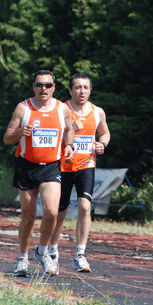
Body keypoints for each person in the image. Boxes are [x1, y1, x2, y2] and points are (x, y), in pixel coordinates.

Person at [3, 70, 74, 277]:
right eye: (40, 85)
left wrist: (69, 145)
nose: (44, 88)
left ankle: (42, 252)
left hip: (51, 166)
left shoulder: (62, 108)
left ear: (54, 87)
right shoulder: (23, 108)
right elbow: (7, 138)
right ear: (33, 87)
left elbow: (69, 128)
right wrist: (19, 133)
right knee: (28, 217)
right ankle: (22, 258)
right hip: (27, 166)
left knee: (52, 212)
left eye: (48, 85)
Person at [49, 73, 110, 273]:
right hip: (63, 166)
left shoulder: (97, 112)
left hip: (86, 165)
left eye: (85, 87)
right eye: (77, 87)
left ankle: (80, 254)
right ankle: (52, 250)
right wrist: (70, 129)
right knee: (60, 211)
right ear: (70, 91)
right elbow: (51, 136)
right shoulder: (61, 109)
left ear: (90, 90)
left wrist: (103, 144)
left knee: (85, 206)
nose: (81, 91)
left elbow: (105, 132)